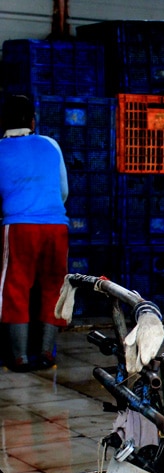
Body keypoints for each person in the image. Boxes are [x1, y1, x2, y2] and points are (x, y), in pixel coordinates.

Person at [0, 95, 70, 372]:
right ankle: (46, 353)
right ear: (32, 120)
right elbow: (63, 191)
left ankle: (19, 357)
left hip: (19, 227)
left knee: (15, 286)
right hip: (56, 226)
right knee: (55, 286)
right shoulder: (51, 145)